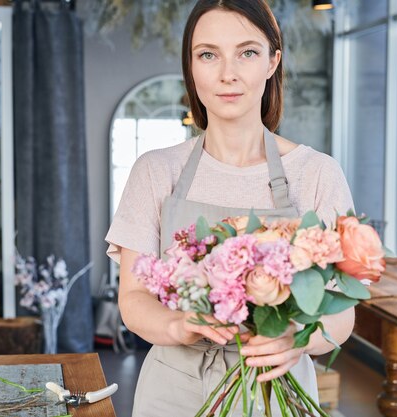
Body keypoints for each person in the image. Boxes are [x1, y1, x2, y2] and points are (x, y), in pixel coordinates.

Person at [104, 0, 355, 415]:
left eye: (247, 52)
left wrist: (293, 338)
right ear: (191, 65)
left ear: (273, 61)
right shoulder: (155, 170)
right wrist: (177, 325)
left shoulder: (317, 174)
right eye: (208, 54)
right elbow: (132, 299)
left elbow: (341, 316)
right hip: (173, 389)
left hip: (278, 387)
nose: (227, 74)